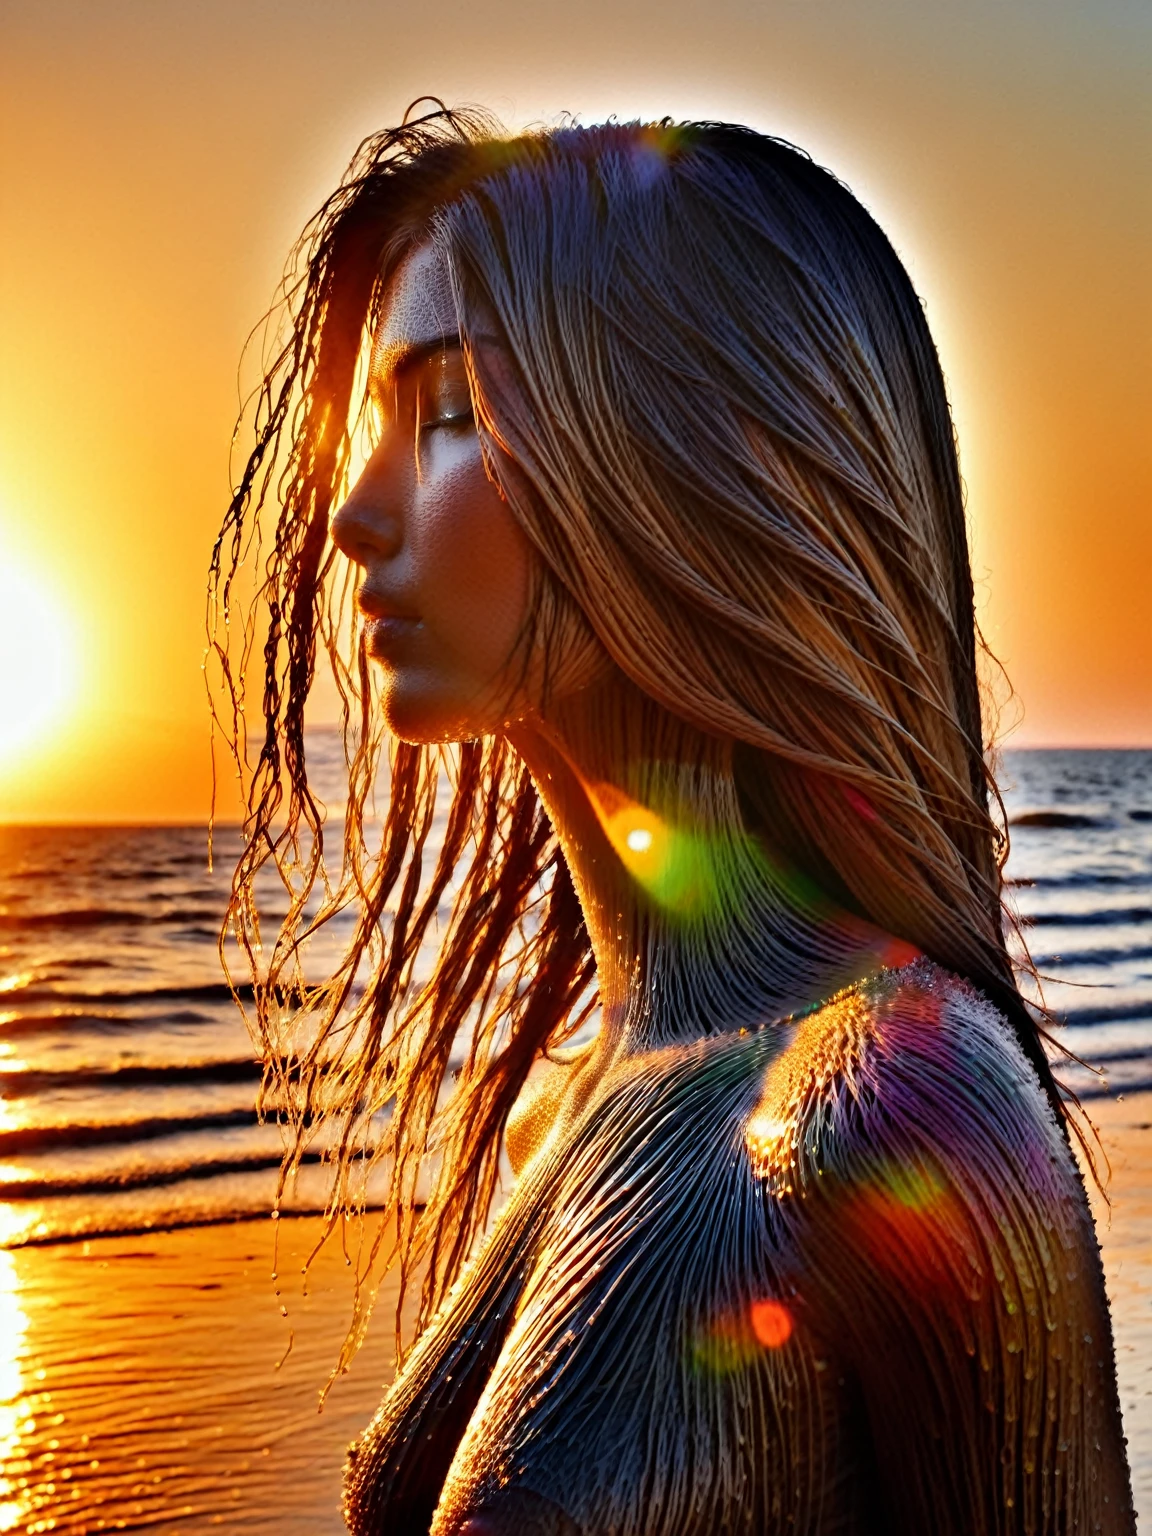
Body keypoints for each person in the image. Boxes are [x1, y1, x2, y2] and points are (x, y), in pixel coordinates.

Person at [211, 106, 1134, 1534]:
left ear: (690, 448)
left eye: (452, 412)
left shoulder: (902, 1106)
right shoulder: (561, 1114)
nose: (354, 514)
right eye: (371, 430)